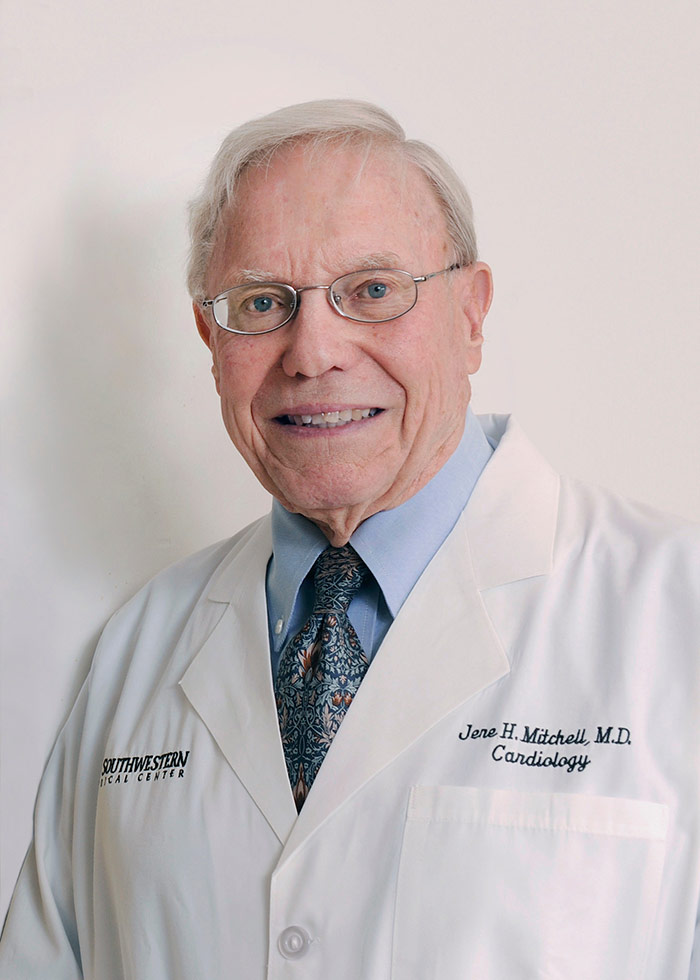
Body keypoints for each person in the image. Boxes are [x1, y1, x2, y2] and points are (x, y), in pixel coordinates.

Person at [1, 99, 698, 979]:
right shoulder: (138, 648)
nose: (313, 351)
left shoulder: (675, 614)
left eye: (371, 290)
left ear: (473, 313)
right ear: (210, 339)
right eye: (262, 303)